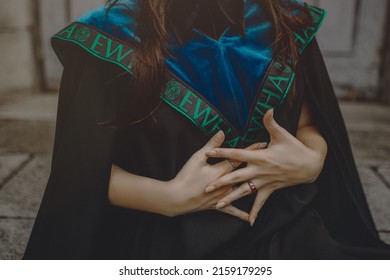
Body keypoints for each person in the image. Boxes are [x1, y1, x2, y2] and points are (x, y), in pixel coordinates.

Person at [24, 0, 390, 259]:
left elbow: (309, 121)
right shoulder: (107, 38)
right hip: (164, 237)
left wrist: (312, 160)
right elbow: (78, 171)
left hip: (282, 223)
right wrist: (165, 198)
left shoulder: (287, 22)